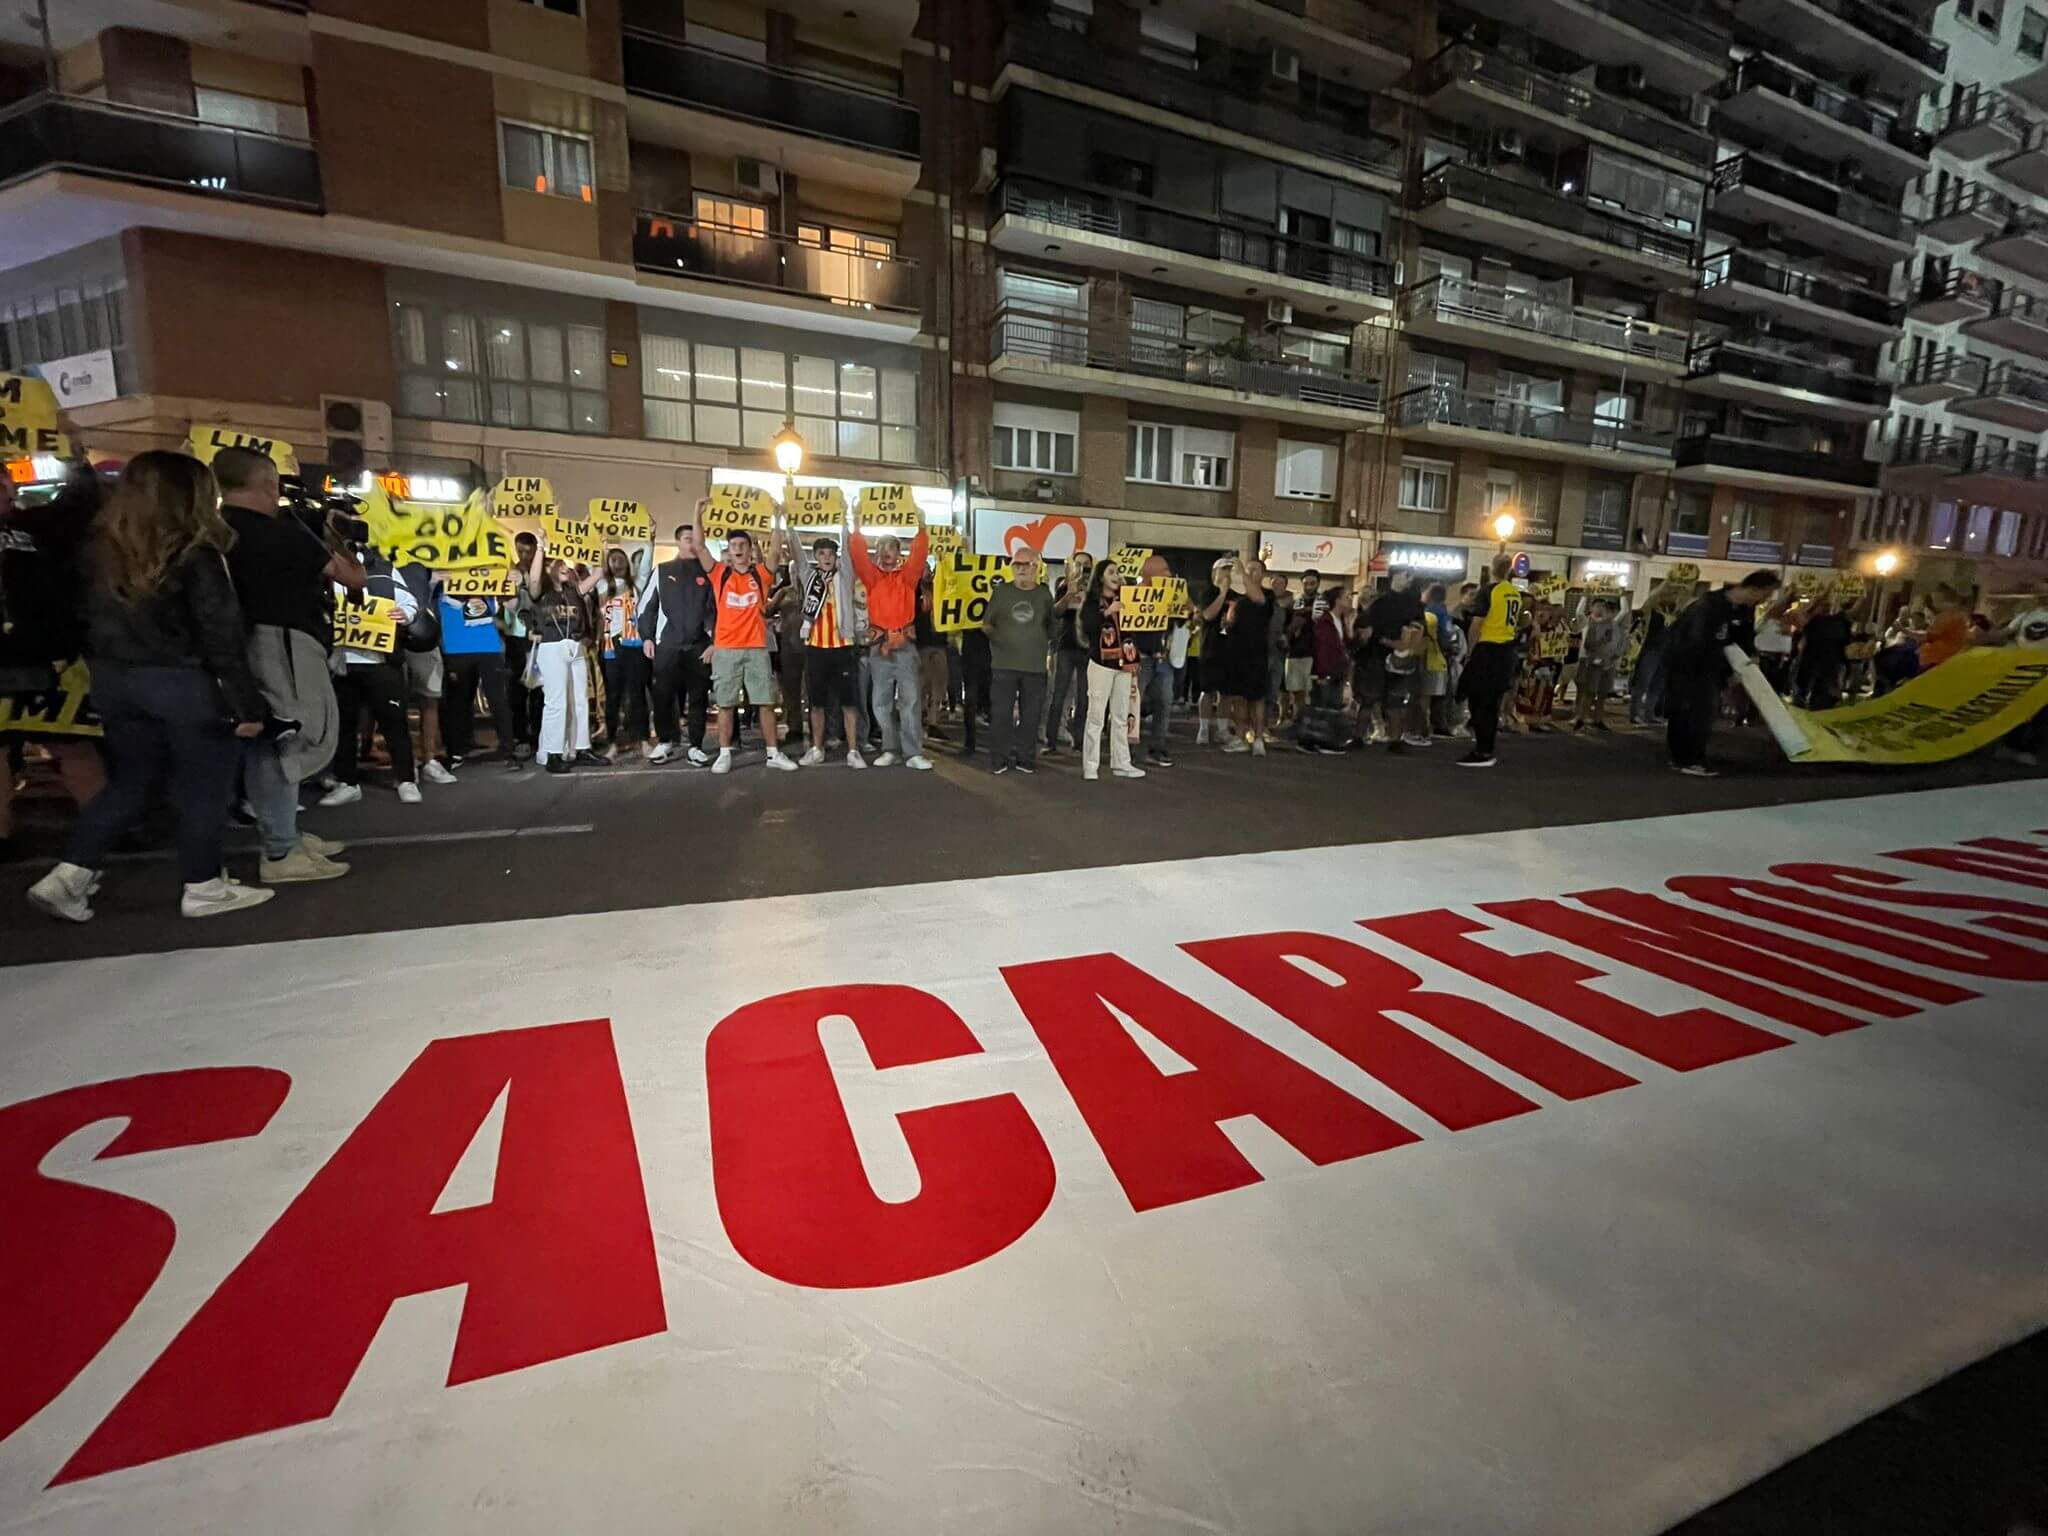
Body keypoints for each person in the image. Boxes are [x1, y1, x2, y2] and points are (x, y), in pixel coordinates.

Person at [29, 452, 274, 921]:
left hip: (115, 680)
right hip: (184, 682)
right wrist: (247, 705)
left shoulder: (97, 551)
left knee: (129, 782)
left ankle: (70, 873)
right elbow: (221, 635)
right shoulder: (198, 552)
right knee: (202, 788)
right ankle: (203, 885)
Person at [215, 446, 357, 884]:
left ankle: (284, 835)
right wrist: (331, 533)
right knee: (291, 739)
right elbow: (353, 577)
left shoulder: (217, 531)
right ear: (268, 484)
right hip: (284, 643)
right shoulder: (278, 531)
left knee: (271, 739)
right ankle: (280, 851)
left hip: (248, 643)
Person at [0, 462, 106, 859]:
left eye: (8, 483)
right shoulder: (34, 530)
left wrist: (76, 457)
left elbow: (79, 503)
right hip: (34, 656)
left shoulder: (35, 527)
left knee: (73, 744)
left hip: (47, 659)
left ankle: (103, 827)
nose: (8, 492)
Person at [690, 516, 797, 774]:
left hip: (757, 648)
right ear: (728, 550)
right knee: (726, 703)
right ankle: (725, 754)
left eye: (742, 544)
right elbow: (699, 546)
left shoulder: (761, 575)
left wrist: (777, 517)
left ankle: (773, 753)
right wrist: (697, 513)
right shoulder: (719, 574)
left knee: (765, 702)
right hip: (726, 649)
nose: (737, 549)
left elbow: (774, 549)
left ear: (750, 550)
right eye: (733, 545)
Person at [322, 545, 424, 804]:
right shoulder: (324, 572)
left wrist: (406, 614)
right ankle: (347, 781)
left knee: (394, 721)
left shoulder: (383, 569)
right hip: (342, 661)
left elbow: (409, 601)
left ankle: (405, 779)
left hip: (381, 660)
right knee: (345, 724)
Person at [1662, 569, 1781, 778]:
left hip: (1711, 667)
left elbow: (1743, 638)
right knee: (1694, 712)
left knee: (1699, 711)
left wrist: (1747, 659)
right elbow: (1696, 642)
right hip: (1691, 666)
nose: (1764, 601)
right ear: (1754, 589)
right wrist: (1725, 670)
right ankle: (1689, 758)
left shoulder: (1743, 610)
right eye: (1765, 595)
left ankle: (1684, 756)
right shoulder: (1709, 606)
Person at [849, 522, 933, 770]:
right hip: (879, 646)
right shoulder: (872, 578)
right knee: (880, 703)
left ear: (899, 554)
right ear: (876, 553)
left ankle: (913, 753)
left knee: (911, 700)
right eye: (882, 547)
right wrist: (856, 527)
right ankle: (890, 748)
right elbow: (858, 556)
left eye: (891, 548)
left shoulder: (907, 578)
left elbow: (919, 556)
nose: (886, 552)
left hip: (905, 645)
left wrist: (921, 528)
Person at [523, 532, 607, 775]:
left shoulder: (573, 589)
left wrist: (600, 548)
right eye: (559, 564)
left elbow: (599, 574)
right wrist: (541, 547)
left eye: (566, 564)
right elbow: (535, 580)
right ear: (549, 567)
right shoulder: (541, 591)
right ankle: (553, 752)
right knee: (557, 701)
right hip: (552, 646)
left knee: (580, 699)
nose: (565, 567)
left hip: (575, 645)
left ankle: (581, 747)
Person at [642, 523, 716, 766]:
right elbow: (646, 607)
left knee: (698, 698)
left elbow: (717, 612)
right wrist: (647, 637)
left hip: (698, 646)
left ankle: (695, 746)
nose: (692, 544)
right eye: (687, 539)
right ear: (677, 541)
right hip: (668, 646)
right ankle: (665, 742)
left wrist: (714, 642)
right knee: (663, 695)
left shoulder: (709, 573)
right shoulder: (662, 571)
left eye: (695, 539)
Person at [790, 532, 864, 768]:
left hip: (843, 647)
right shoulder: (809, 577)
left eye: (831, 553)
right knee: (817, 703)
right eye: (822, 553)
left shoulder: (845, 576)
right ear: (816, 557)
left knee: (849, 702)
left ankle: (853, 751)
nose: (827, 557)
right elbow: (797, 555)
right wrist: (788, 524)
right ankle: (817, 748)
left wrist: (845, 520)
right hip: (815, 648)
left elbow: (849, 552)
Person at [983, 546, 1055, 774]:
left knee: (1031, 716)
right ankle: (999, 759)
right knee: (1001, 714)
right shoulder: (1002, 592)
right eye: (1016, 564)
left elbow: (1052, 626)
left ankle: (1025, 758)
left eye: (1026, 564)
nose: (1021, 569)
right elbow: (986, 624)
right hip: (1004, 665)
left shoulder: (1044, 594)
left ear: (1036, 567)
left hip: (1034, 666)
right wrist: (1000, 640)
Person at [438, 578, 522, 771]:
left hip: (489, 647)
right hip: (455, 649)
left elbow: (511, 605)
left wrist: (510, 582)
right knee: (458, 703)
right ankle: (456, 752)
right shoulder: (439, 582)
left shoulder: (487, 578)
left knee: (498, 700)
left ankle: (508, 749)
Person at [1078, 559, 1145, 781]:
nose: (1116, 576)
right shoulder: (1092, 602)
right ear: (1100, 577)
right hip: (1101, 664)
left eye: (1118, 572)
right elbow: (1088, 627)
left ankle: (1121, 762)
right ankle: (1090, 766)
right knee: (1096, 716)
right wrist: (1108, 613)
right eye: (1111, 572)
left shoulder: (1126, 599)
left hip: (1125, 663)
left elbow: (1137, 626)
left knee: (1120, 716)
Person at [1456, 554, 1523, 768]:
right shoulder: (1514, 593)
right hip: (1507, 650)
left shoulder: (1489, 591)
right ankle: (1487, 747)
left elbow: (1477, 624)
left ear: (1492, 568)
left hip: (1488, 648)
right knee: (1492, 702)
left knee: (1479, 701)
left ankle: (1482, 750)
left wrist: (1470, 652)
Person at [1208, 556, 1275, 754]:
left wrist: (1243, 573)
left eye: (1255, 570)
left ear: (1262, 574)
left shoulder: (1266, 596)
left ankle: (1259, 738)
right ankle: (1240, 736)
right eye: (1249, 569)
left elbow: (1258, 598)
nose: (1251, 573)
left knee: (1257, 698)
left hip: (1257, 654)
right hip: (1237, 654)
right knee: (1238, 698)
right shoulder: (1239, 599)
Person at [593, 546, 650, 759]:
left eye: (620, 559)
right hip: (611, 646)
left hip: (633, 643)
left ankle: (644, 740)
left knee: (637, 694)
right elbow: (594, 564)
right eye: (612, 560)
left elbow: (645, 567)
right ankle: (613, 743)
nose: (617, 563)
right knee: (613, 696)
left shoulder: (636, 585)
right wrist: (598, 542)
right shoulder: (601, 585)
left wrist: (650, 539)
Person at [1356, 571, 1424, 746]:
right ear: (1394, 577)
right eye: (1405, 575)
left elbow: (1419, 628)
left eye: (1410, 576)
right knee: (1378, 699)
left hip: (1389, 654)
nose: (1409, 579)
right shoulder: (1387, 603)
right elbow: (1369, 628)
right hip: (1387, 654)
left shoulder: (1408, 603)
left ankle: (1391, 739)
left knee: (1388, 700)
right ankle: (1367, 737)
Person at [1044, 550, 1095, 755]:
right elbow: (1055, 612)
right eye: (1079, 564)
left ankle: (1080, 739)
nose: (1082, 569)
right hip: (1065, 646)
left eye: (1086, 565)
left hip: (1087, 648)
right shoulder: (1063, 585)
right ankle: (1051, 740)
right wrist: (1069, 594)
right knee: (1059, 695)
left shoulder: (1095, 591)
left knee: (1084, 698)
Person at [1131, 554, 1177, 768]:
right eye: (1164, 570)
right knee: (1132, 705)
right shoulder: (1133, 596)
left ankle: (1158, 747)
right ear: (1149, 573)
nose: (1169, 574)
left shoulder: (1172, 596)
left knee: (1164, 703)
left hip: (1162, 658)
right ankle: (1126, 749)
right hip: (1140, 659)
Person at [499, 531, 541, 755]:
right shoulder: (509, 573)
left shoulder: (540, 573)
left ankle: (538, 735)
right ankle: (521, 737)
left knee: (538, 689)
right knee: (516, 690)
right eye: (520, 550)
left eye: (528, 550)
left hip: (537, 637)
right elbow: (507, 604)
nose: (524, 554)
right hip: (516, 637)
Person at [1193, 555, 1233, 745]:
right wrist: (1222, 594)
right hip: (1210, 647)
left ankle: (1223, 729)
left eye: (1229, 570)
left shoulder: (1236, 595)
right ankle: (1203, 729)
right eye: (1223, 569)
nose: (1227, 574)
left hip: (1229, 649)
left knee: (1226, 693)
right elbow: (1208, 615)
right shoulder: (1207, 593)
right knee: (1207, 690)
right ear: (1214, 573)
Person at [1628, 583, 1679, 726]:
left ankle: (1650, 714)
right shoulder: (1652, 609)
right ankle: (1635, 714)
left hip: (1666, 652)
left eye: (1675, 594)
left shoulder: (1674, 612)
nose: (1674, 596)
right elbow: (1648, 603)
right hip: (1651, 650)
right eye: (1671, 593)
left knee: (1657, 685)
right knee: (1643, 683)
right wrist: (1665, 584)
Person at [1572, 597, 1624, 732]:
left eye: (1613, 611)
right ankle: (1581, 719)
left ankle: (1598, 719)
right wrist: (1601, 641)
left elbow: (1621, 645)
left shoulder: (1618, 627)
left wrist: (1615, 656)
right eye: (1607, 610)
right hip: (1596, 663)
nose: (1609, 614)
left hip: (1610, 664)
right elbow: (1588, 645)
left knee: (1603, 693)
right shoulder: (1595, 626)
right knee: (1590, 692)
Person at [1792, 596, 1852, 709]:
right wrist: (1820, 595)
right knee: (1807, 687)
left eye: (1827, 605)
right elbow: (1803, 615)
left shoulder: (1840, 622)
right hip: (1812, 662)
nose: (1826, 608)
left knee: (1824, 693)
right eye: (1823, 605)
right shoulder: (1814, 620)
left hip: (1830, 665)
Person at [1919, 584, 1972, 672]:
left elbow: (1929, 636)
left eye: (1935, 600)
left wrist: (1904, 630)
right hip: (1946, 659)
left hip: (1938, 660)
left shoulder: (1947, 616)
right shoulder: (1960, 616)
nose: (1934, 604)